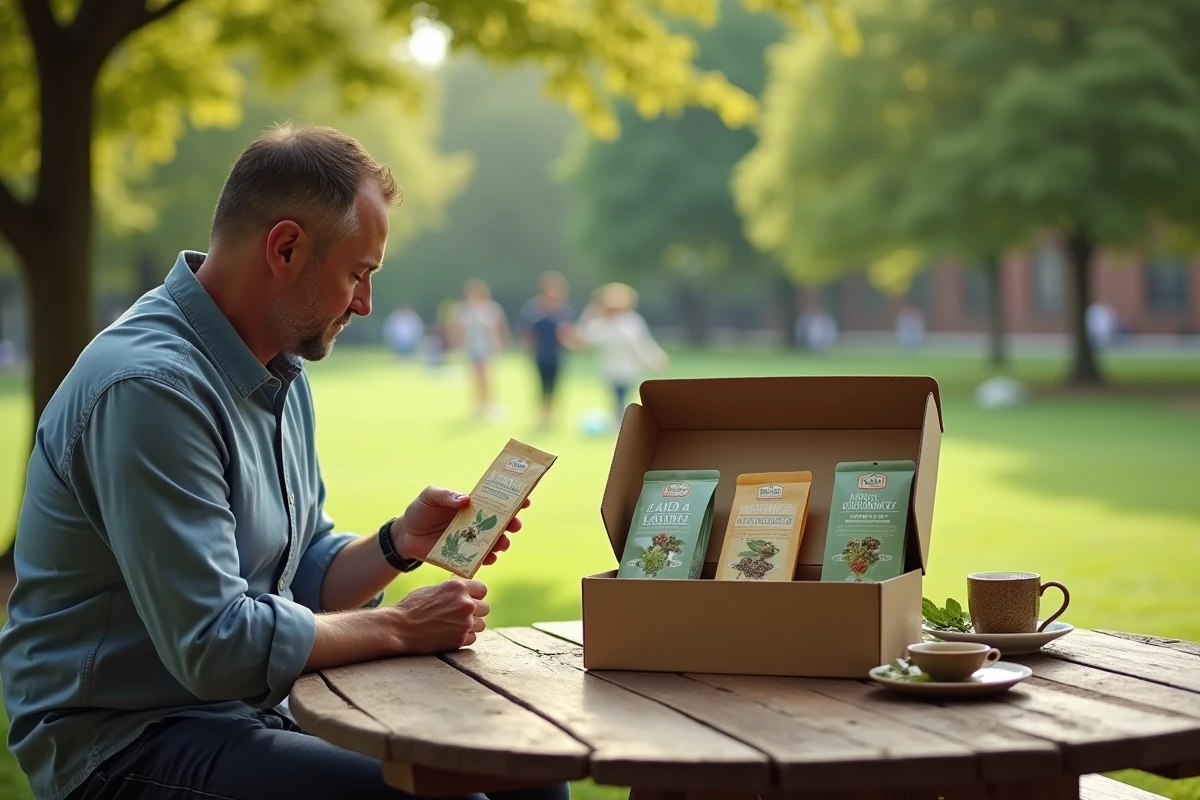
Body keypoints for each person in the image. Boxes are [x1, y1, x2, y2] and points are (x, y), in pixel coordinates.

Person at [0, 124, 567, 800]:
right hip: (120, 741)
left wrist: (399, 543)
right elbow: (214, 645)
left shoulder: (276, 368)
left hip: (244, 713)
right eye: (358, 274)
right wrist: (399, 628)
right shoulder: (150, 390)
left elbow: (299, 577)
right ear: (287, 247)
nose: (365, 304)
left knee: (523, 769)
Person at [578, 282, 668, 422]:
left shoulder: (628, 322)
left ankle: (621, 421)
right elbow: (586, 338)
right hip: (614, 370)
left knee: (620, 399)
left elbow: (642, 345)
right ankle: (621, 422)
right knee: (620, 399)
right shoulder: (608, 323)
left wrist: (655, 358)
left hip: (625, 370)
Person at [516, 272, 576, 429]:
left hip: (557, 355)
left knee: (555, 387)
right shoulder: (534, 310)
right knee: (542, 386)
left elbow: (567, 333)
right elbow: (528, 333)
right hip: (541, 355)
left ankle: (553, 417)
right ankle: (543, 417)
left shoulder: (563, 311)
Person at [448, 279, 509, 420]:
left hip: (486, 348)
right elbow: (457, 328)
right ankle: (478, 406)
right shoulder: (463, 310)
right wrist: (455, 343)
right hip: (471, 348)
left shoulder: (491, 309)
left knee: (487, 377)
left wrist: (500, 344)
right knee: (475, 378)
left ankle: (490, 404)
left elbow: (499, 328)